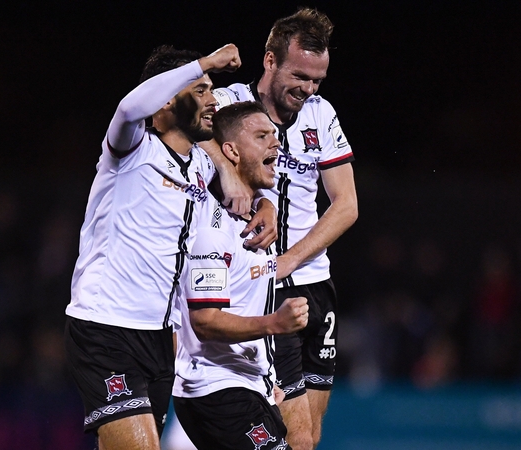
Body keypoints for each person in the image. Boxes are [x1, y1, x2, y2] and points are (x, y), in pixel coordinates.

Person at [63, 44, 277, 450]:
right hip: (106, 327)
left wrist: (266, 203)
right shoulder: (130, 149)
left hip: (160, 339)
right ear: (162, 103)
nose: (212, 99)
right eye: (200, 90)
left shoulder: (200, 165)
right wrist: (206, 63)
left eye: (211, 89)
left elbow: (243, 193)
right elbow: (129, 107)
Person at [213, 8, 358, 448]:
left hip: (315, 283)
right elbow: (175, 122)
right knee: (291, 438)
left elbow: (346, 205)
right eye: (300, 76)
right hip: (262, 289)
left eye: (317, 80)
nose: (308, 89)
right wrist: (229, 170)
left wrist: (290, 260)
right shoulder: (229, 102)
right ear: (270, 60)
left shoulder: (320, 113)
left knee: (310, 437)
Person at [173, 101, 309, 450]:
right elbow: (204, 319)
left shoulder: (256, 218)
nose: (274, 144)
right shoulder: (213, 228)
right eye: (261, 136)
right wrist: (273, 324)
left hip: (247, 385)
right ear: (231, 150)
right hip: (215, 389)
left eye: (274, 136)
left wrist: (264, 375)